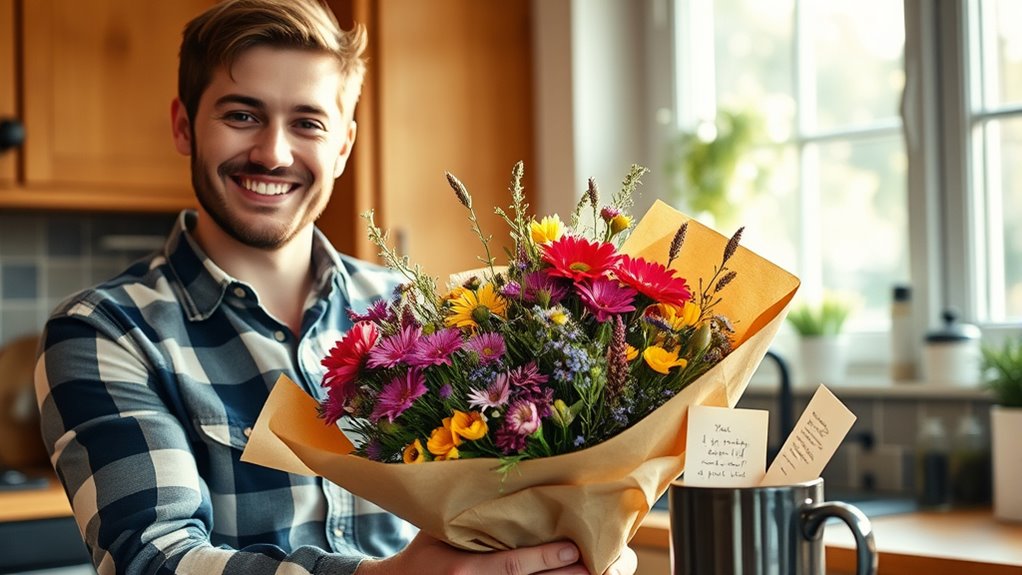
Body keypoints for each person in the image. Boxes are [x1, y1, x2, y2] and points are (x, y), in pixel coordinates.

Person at [34, 1, 637, 574]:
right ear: (184, 126)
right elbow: (151, 560)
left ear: (343, 145)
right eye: (242, 115)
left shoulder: (414, 311)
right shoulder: (104, 331)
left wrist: (569, 547)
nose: (273, 153)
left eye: (307, 123)